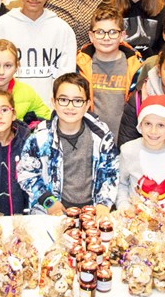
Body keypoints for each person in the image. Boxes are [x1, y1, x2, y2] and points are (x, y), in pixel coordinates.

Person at [17, 73, 118, 216]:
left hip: (92, 212)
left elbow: (110, 174)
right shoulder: (39, 137)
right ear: (53, 102)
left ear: (87, 105)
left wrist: (103, 204)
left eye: (77, 101)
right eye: (63, 99)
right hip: (51, 211)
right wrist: (48, 201)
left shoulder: (102, 136)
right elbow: (26, 174)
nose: (70, 107)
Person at [0, 0, 77, 104]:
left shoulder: (62, 30)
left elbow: (66, 81)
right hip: (10, 114)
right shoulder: (2, 25)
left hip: (49, 114)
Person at [117, 94, 165, 209]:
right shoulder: (128, 150)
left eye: (161, 125)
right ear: (140, 125)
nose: (153, 131)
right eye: (148, 124)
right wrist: (124, 208)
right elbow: (121, 184)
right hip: (137, 219)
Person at [77, 5, 142, 137]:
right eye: (100, 32)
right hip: (90, 138)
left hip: (124, 137)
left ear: (122, 35)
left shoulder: (136, 67)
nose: (106, 38)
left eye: (112, 32)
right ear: (91, 36)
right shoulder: (79, 65)